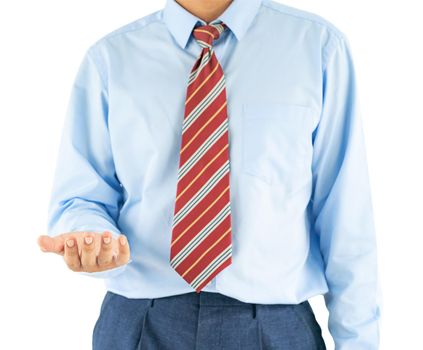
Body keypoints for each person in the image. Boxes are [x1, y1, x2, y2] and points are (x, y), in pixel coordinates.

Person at [37, 0, 382, 348]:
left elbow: (346, 215)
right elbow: (81, 196)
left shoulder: (318, 47)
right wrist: (94, 237)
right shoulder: (110, 59)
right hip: (140, 321)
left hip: (274, 326)